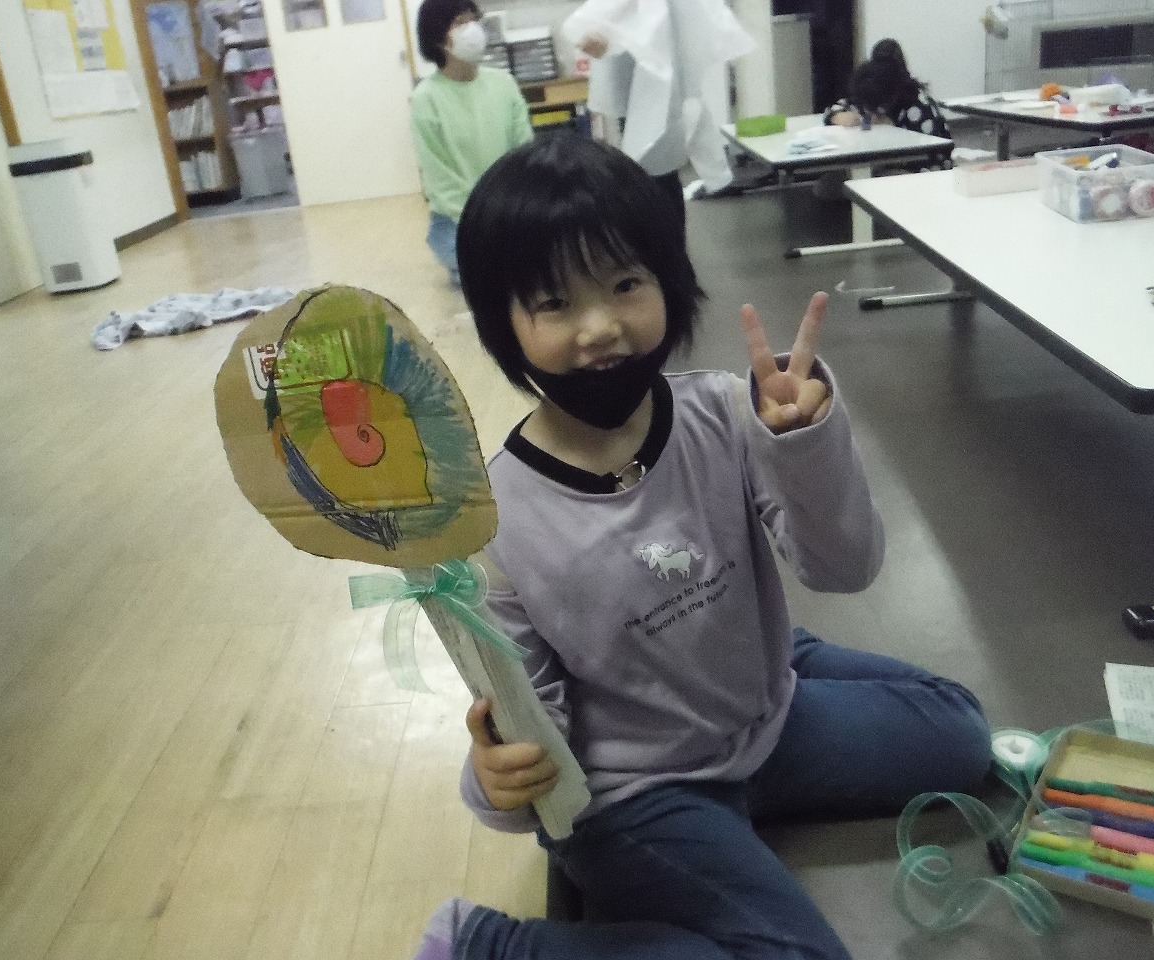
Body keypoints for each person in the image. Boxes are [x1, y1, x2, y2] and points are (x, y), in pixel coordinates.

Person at [409, 133, 992, 960]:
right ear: (503, 324)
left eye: (625, 284)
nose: (600, 327)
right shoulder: (495, 521)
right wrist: (494, 777)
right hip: (634, 792)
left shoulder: (722, 411)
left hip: (761, 722)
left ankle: (764, 651)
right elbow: (530, 729)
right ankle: (488, 946)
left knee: (963, 736)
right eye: (555, 303)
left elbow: (844, 568)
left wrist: (803, 443)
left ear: (668, 280)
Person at [561, 0, 754, 223]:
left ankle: (664, 240)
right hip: (634, 63)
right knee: (648, 165)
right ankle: (662, 238)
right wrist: (600, 28)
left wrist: (601, 29)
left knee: (655, 164)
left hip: (656, 62)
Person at [410, 0, 533, 287]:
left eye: (473, 19)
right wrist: (483, 220)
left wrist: (511, 209)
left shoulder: (504, 83)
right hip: (456, 219)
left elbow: (524, 152)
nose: (472, 29)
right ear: (437, 37)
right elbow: (440, 178)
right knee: (482, 273)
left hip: (509, 209)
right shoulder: (426, 98)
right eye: (459, 23)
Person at [823, 39, 949, 139]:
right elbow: (836, 108)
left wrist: (891, 126)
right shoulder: (868, 89)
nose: (876, 112)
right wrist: (837, 116)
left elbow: (932, 145)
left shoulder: (916, 103)